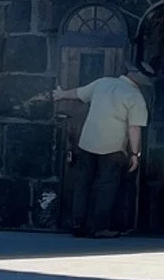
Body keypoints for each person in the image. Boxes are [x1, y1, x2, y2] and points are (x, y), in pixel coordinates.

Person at [58, 65, 150, 237]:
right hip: (113, 147)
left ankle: (77, 223)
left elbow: (78, 93)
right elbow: (134, 128)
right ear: (143, 80)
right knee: (106, 187)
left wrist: (60, 94)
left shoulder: (102, 83)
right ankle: (99, 227)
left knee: (82, 184)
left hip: (88, 142)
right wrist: (135, 154)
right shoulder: (134, 96)